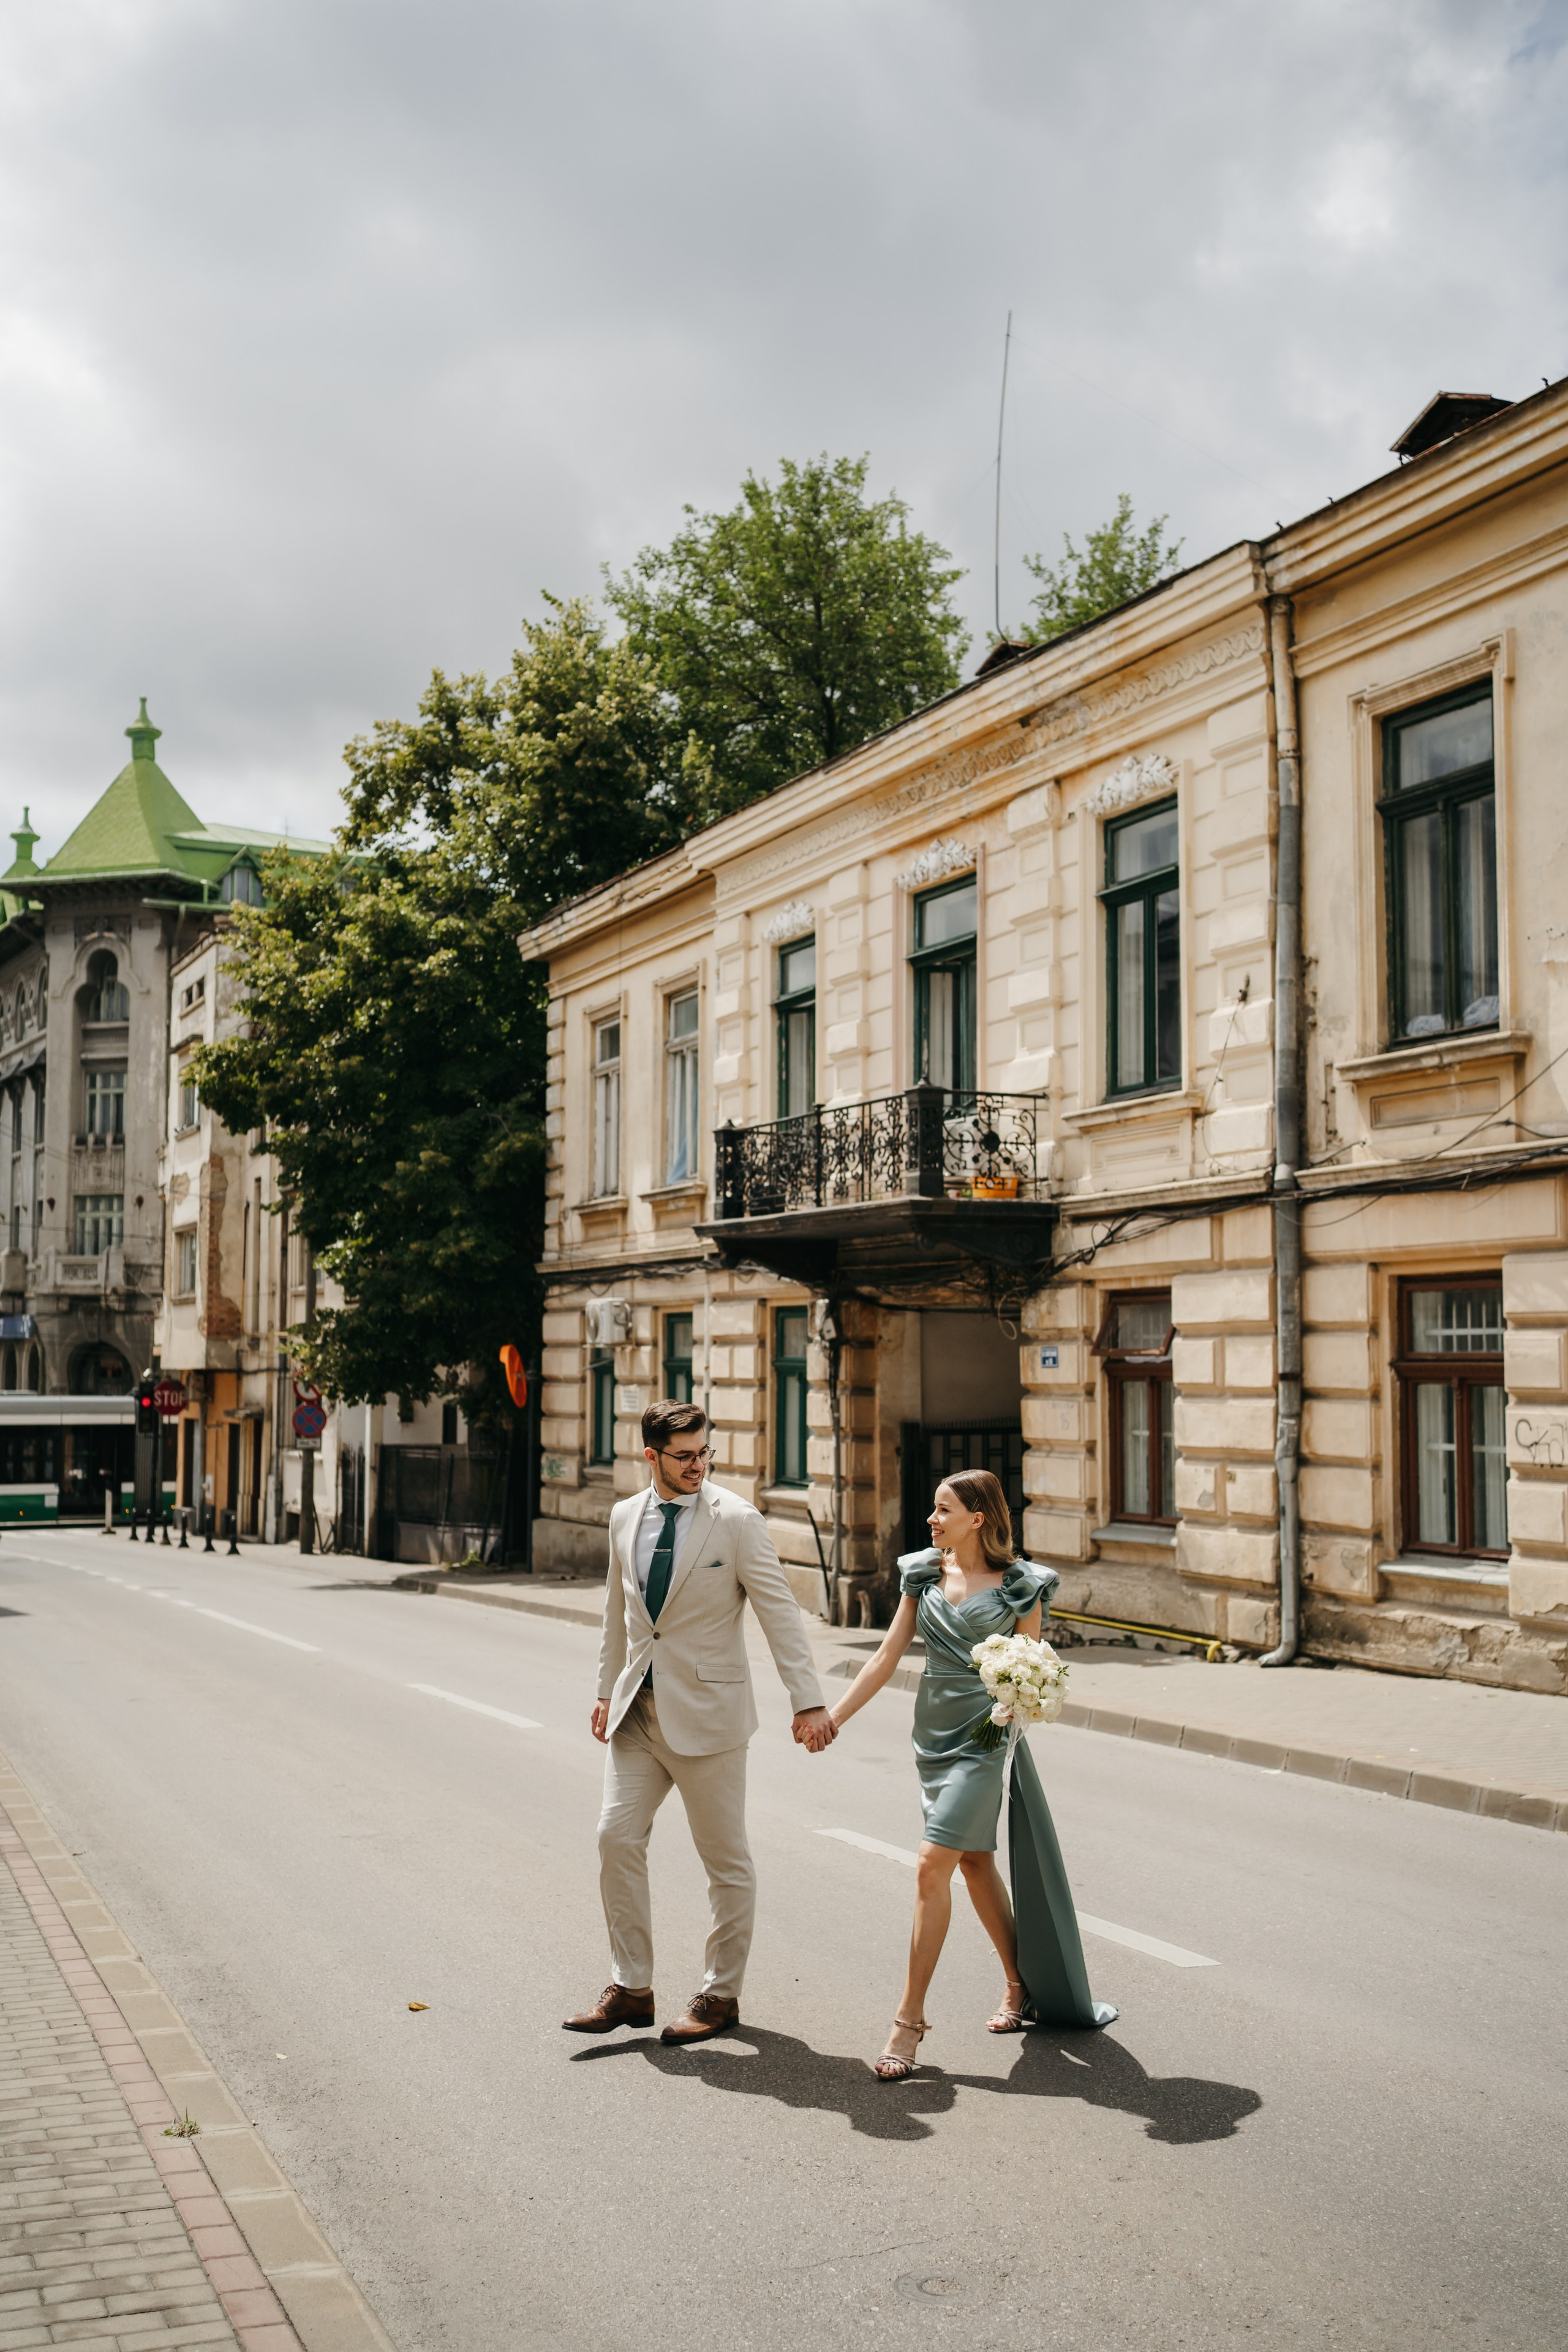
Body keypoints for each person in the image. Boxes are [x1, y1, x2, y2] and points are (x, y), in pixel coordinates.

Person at [564, 1399, 837, 2046]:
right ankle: (632, 1988)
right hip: (638, 1712)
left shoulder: (736, 1521)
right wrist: (605, 1690)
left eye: (704, 1453)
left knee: (724, 1861)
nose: (698, 1466)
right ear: (651, 1457)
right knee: (614, 1837)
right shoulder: (624, 1516)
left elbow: (778, 1613)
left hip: (708, 1716)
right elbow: (617, 1614)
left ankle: (720, 1996)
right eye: (684, 1455)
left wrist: (808, 1699)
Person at [829, 1468, 1117, 2079]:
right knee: (975, 1864)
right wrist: (834, 1718)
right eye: (933, 1510)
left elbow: (1029, 1666)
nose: (931, 1520)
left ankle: (908, 2022)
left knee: (932, 1864)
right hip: (931, 1736)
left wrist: (1015, 1708)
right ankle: (1019, 1984)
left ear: (977, 1518)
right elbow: (885, 1656)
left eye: (941, 1510)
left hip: (986, 1738)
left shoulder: (1021, 1586)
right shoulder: (922, 1572)